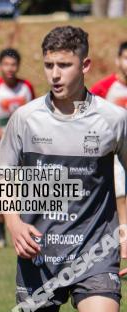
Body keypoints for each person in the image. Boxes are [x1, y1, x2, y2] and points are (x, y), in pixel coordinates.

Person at [0, 26, 127, 312]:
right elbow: (1, 180)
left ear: (85, 66)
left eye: (64, 65)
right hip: (41, 254)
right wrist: (13, 222)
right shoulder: (26, 119)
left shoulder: (113, 119)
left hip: (95, 249)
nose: (55, 74)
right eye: (49, 65)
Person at [0, 48, 35, 249]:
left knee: (27, 191)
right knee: (0, 195)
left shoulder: (26, 87)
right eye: (6, 64)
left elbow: (34, 115)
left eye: (13, 64)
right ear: (0, 66)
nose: (10, 68)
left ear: (18, 66)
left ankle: (27, 229)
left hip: (25, 148)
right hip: (0, 150)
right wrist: (8, 140)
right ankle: (0, 235)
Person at [90, 40, 127, 228]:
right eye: (126, 58)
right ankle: (123, 229)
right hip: (114, 150)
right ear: (118, 60)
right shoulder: (104, 87)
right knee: (119, 186)